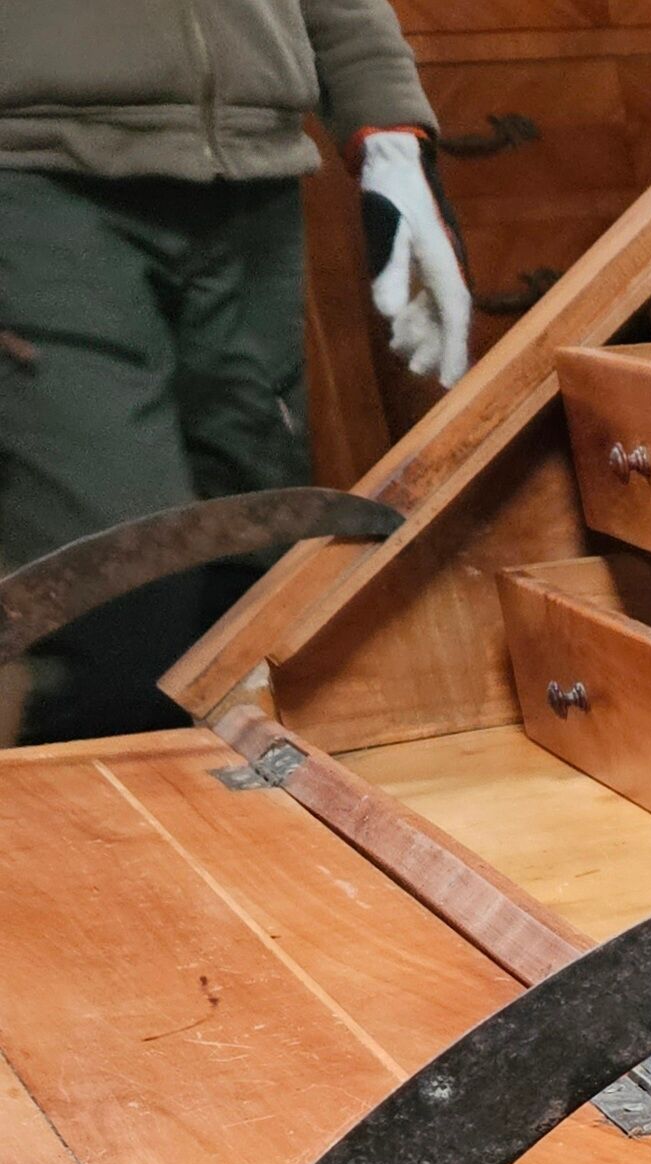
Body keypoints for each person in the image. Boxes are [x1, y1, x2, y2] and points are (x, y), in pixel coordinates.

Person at [0, 2, 475, 742]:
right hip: (37, 188)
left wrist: (389, 135)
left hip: (251, 183)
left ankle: (239, 845)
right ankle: (110, 845)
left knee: (255, 571)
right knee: (116, 600)